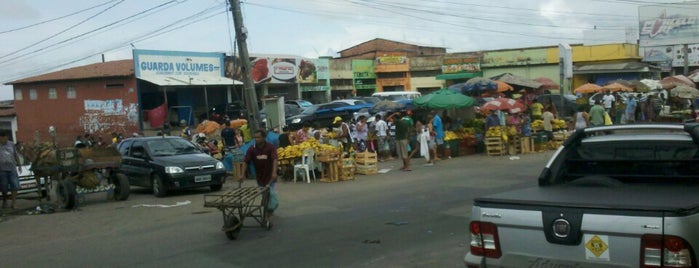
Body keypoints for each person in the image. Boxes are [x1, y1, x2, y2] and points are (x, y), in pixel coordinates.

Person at [239, 130, 278, 228]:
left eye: (258, 137)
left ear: (264, 137)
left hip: (270, 177)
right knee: (264, 196)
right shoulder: (252, 149)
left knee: (269, 195)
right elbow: (245, 161)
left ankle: (267, 216)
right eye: (255, 137)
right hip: (260, 177)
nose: (256, 139)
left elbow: (274, 160)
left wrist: (274, 172)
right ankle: (268, 211)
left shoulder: (270, 147)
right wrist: (242, 174)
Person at [0, 131, 21, 209]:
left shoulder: (11, 144)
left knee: (15, 185)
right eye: (3, 138)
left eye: (6, 137)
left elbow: (15, 154)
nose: (5, 139)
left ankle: (14, 203)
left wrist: (19, 165)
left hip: (12, 168)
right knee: (4, 187)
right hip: (2, 169)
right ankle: (5, 200)